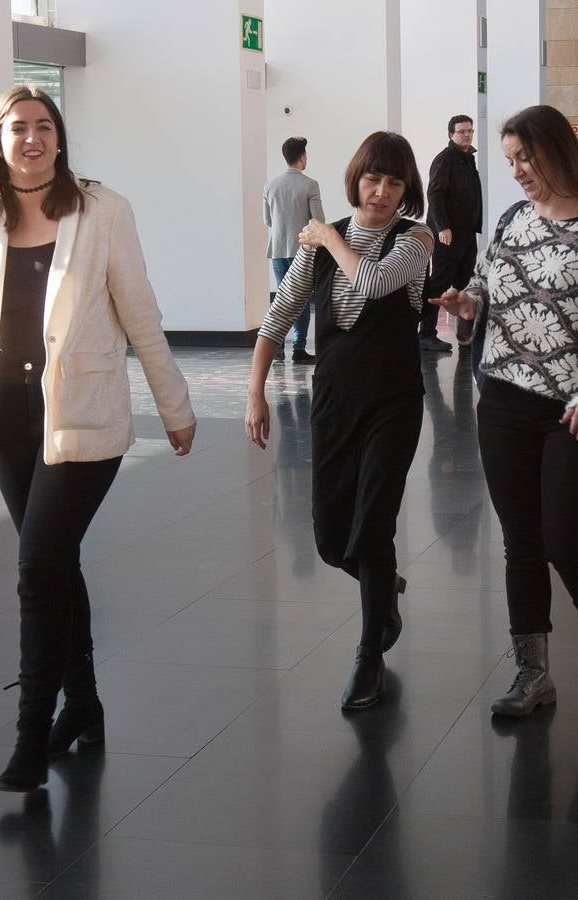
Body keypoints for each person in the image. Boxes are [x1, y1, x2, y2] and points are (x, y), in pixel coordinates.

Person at [0, 85, 197, 793]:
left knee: (36, 569)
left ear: (60, 140)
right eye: (17, 129)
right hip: (8, 423)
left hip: (84, 420)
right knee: (57, 564)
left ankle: (32, 734)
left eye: (43, 127)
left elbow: (141, 316)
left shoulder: (102, 211)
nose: (31, 138)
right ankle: (85, 706)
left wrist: (175, 407)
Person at [434, 105, 578, 718]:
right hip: (503, 400)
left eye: (526, 158)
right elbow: (489, 281)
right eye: (511, 159)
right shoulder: (514, 218)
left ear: (556, 154)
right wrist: (467, 301)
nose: (516, 171)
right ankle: (531, 675)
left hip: (573, 409)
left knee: (565, 536)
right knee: (522, 541)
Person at [244, 131, 433, 711]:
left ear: (406, 191)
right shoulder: (318, 248)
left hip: (393, 401)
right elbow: (277, 320)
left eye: (394, 183)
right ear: (355, 179)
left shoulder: (414, 239)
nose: (380, 192)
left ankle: (368, 653)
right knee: (330, 539)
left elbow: (371, 282)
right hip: (334, 399)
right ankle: (385, 591)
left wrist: (327, 234)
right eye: (372, 179)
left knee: (373, 525)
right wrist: (255, 394)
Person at [422, 114, 481, 353]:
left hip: (467, 234)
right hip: (449, 234)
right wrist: (442, 227)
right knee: (439, 282)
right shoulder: (445, 159)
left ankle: (465, 334)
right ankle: (426, 334)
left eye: (470, 131)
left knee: (465, 283)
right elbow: (434, 194)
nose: (467, 135)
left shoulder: (468, 158)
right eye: (462, 131)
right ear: (451, 135)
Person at [264, 136, 324, 363]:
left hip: (278, 250)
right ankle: (299, 349)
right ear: (302, 157)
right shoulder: (310, 184)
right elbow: (318, 220)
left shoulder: (270, 185)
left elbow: (267, 220)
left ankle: (277, 347)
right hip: (302, 251)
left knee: (282, 299)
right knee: (300, 301)